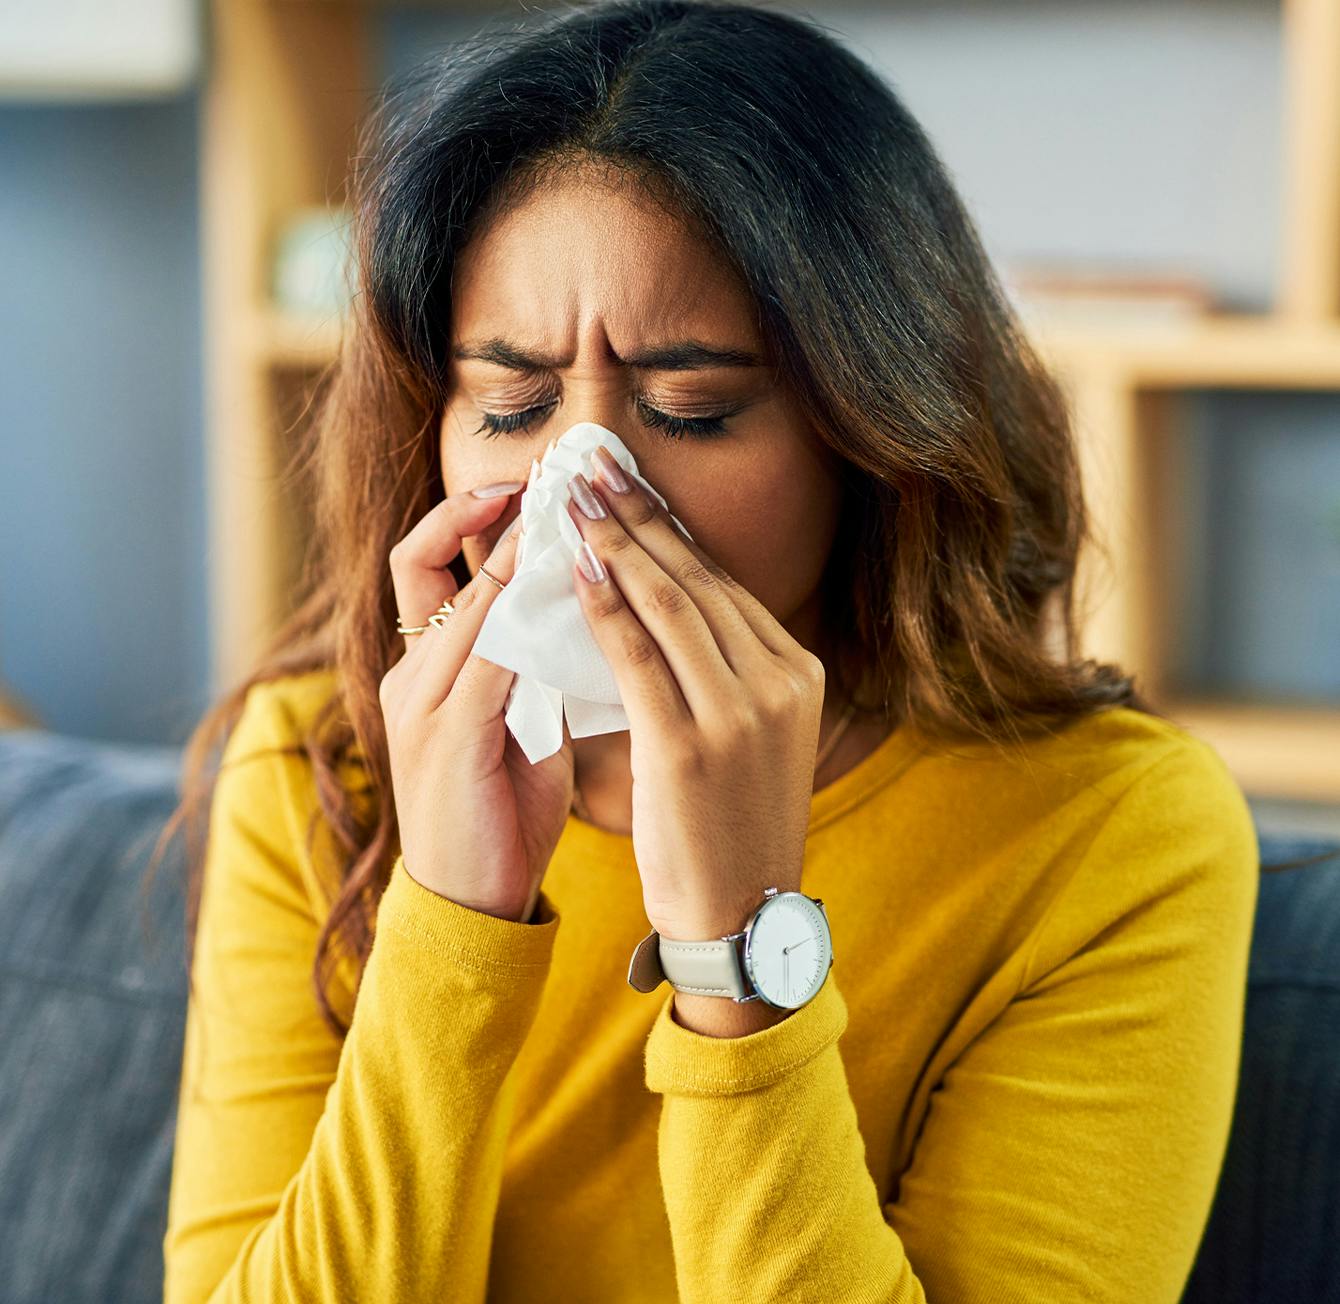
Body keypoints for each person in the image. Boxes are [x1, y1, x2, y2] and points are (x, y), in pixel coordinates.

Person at [158, 2, 1259, 1300]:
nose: (582, 485)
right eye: (512, 403)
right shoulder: (317, 763)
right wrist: (450, 918)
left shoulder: (1114, 832)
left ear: (869, 434)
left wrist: (740, 949)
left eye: (690, 409)